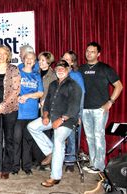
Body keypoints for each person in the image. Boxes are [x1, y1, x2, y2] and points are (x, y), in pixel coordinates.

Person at [27, 60, 82, 187]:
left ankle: (55, 177)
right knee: (32, 126)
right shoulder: (52, 84)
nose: (60, 70)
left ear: (68, 70)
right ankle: (50, 151)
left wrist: (61, 119)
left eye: (63, 68)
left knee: (58, 140)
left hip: (67, 120)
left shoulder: (74, 85)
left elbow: (74, 107)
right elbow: (46, 103)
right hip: (52, 117)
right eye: (58, 68)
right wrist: (45, 115)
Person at [79, 42, 123, 173]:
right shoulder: (81, 69)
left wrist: (110, 102)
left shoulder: (105, 68)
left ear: (98, 54)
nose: (89, 53)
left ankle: (99, 166)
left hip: (100, 109)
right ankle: (93, 163)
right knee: (90, 137)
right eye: (87, 51)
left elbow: (119, 86)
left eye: (92, 51)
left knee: (98, 136)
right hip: (85, 109)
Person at [0, 45, 21, 179]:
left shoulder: (14, 69)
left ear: (8, 55)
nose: (1, 56)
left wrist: (4, 105)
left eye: (4, 53)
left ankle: (7, 168)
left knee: (9, 138)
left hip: (10, 108)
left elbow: (16, 90)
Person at [12, 52, 43, 175]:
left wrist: (28, 95)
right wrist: (18, 96)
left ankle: (26, 166)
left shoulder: (37, 76)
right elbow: (12, 89)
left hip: (32, 114)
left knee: (28, 141)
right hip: (19, 114)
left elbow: (40, 93)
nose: (29, 60)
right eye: (27, 58)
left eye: (32, 58)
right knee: (16, 140)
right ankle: (15, 167)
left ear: (35, 62)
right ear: (23, 60)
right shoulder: (18, 73)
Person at [61, 50, 85, 172]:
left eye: (67, 58)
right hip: (61, 109)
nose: (64, 60)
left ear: (72, 62)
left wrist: (77, 113)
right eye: (63, 58)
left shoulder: (76, 75)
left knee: (71, 136)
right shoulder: (60, 73)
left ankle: (70, 161)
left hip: (73, 110)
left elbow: (81, 94)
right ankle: (60, 158)